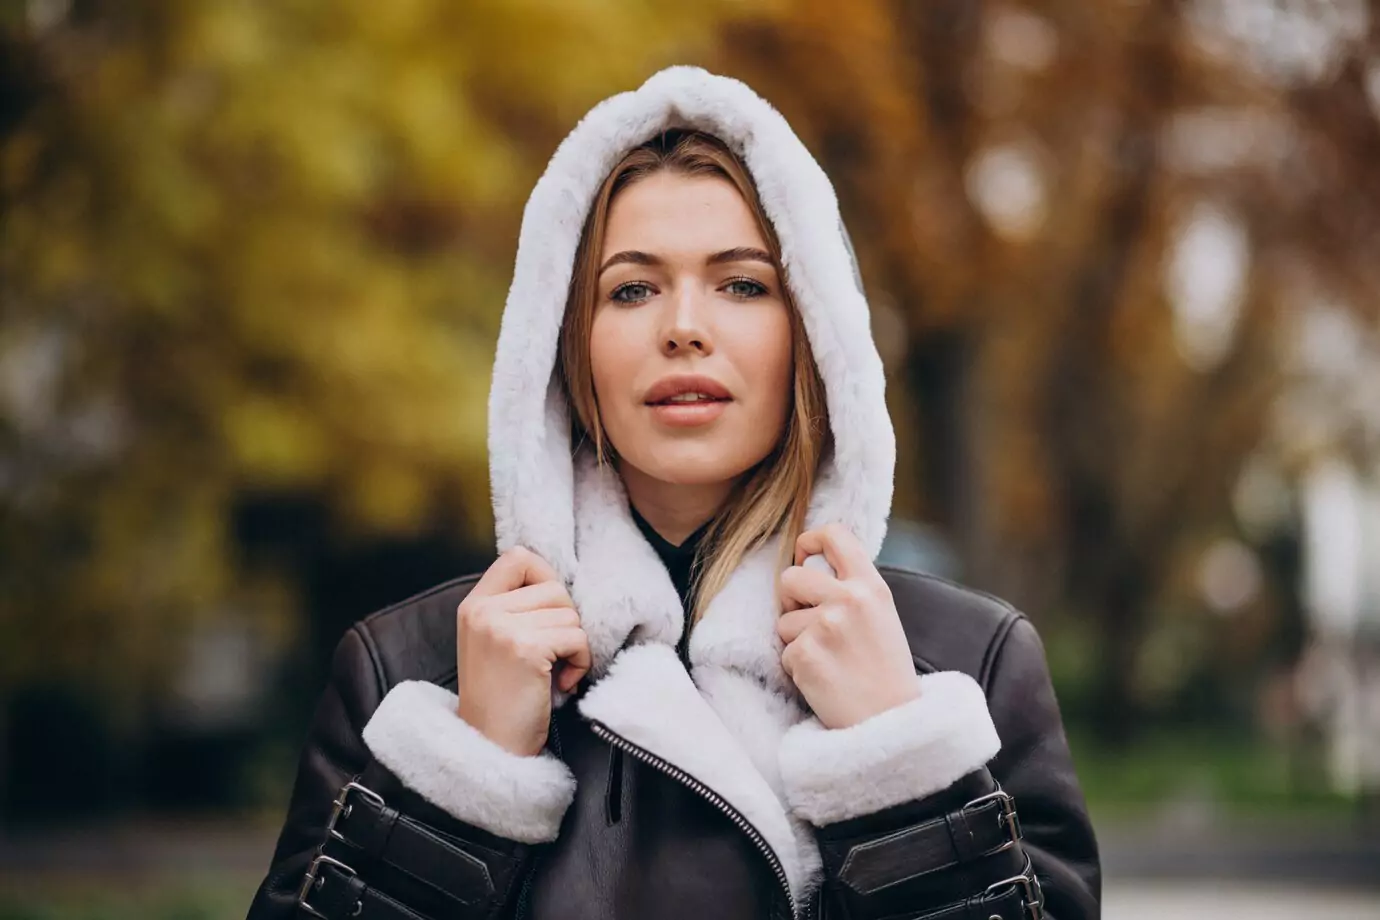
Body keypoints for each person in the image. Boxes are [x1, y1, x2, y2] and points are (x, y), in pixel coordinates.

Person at [247, 66, 1100, 920]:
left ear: (812, 333)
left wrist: (898, 769)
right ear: (568, 348)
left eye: (741, 284)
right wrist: (465, 780)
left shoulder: (963, 667)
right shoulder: (409, 673)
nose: (682, 326)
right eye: (631, 289)